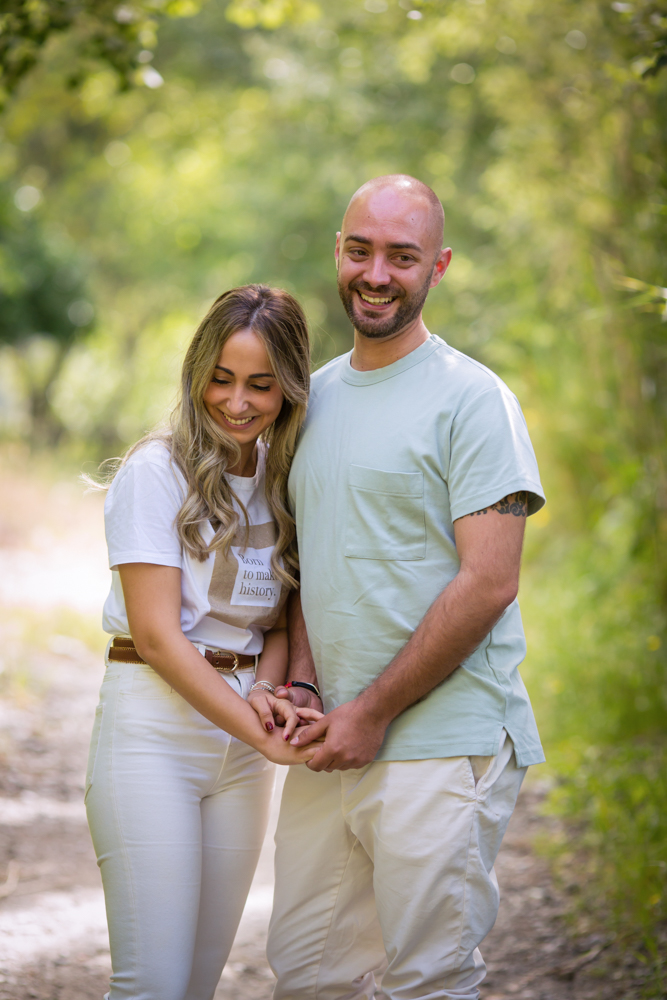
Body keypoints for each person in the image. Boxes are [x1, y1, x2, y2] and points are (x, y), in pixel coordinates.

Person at [268, 176, 547, 1000]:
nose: (377, 274)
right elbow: (315, 559)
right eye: (361, 251)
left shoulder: (473, 401)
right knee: (308, 972)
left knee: (427, 979)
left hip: (437, 738)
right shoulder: (308, 398)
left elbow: (490, 581)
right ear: (338, 254)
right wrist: (310, 684)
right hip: (330, 738)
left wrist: (375, 712)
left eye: (402, 256)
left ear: (440, 266)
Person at [84, 284, 321, 1000]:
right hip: (154, 732)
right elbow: (157, 637)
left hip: (240, 743)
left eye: (260, 384)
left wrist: (270, 696)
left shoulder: (281, 477)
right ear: (196, 373)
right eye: (220, 379)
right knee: (150, 984)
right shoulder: (154, 473)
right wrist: (257, 726)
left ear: (289, 387)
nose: (237, 402)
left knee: (194, 985)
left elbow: (276, 618)